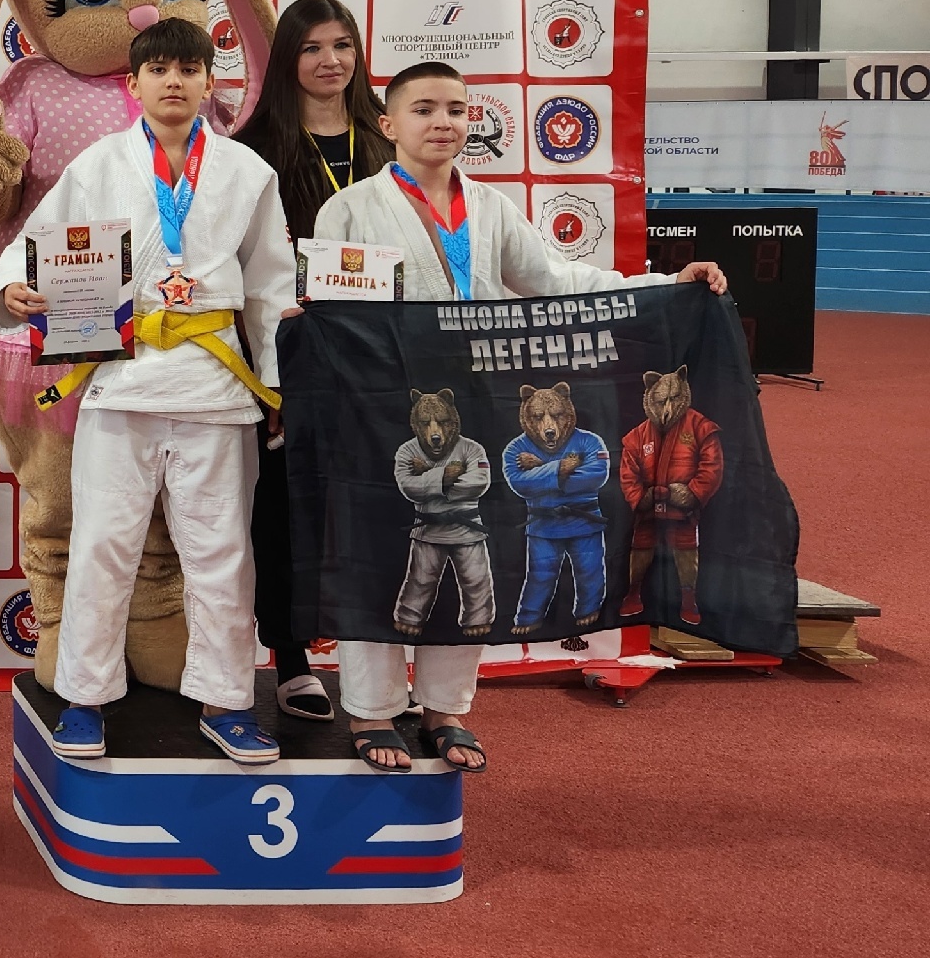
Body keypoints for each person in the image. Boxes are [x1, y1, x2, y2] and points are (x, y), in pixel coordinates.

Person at [311, 60, 726, 776]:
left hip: (470, 405)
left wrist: (665, 282)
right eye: (423, 109)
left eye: (456, 109)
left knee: (468, 551)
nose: (443, 122)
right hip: (377, 410)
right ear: (388, 124)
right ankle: (373, 709)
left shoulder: (491, 207)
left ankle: (444, 707)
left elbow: (556, 282)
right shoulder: (347, 210)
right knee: (376, 555)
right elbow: (327, 314)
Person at [0, 19, 299, 765]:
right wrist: (15, 291)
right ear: (133, 84)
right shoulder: (98, 164)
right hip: (121, 382)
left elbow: (270, 285)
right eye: (158, 69)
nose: (173, 81)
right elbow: (35, 246)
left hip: (215, 384)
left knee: (222, 552)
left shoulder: (246, 171)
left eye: (188, 68)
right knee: (103, 543)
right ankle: (84, 698)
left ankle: (227, 701)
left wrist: (280, 389)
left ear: (209, 81)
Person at [231, 0, 394, 723]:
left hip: (379, 356)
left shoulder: (386, 136)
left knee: (376, 506)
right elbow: (239, 266)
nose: (332, 60)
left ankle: (376, 667)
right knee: (284, 509)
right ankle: (290, 656)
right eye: (312, 48)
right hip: (290, 352)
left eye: (343, 45)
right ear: (286, 59)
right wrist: (271, 372)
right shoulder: (254, 145)